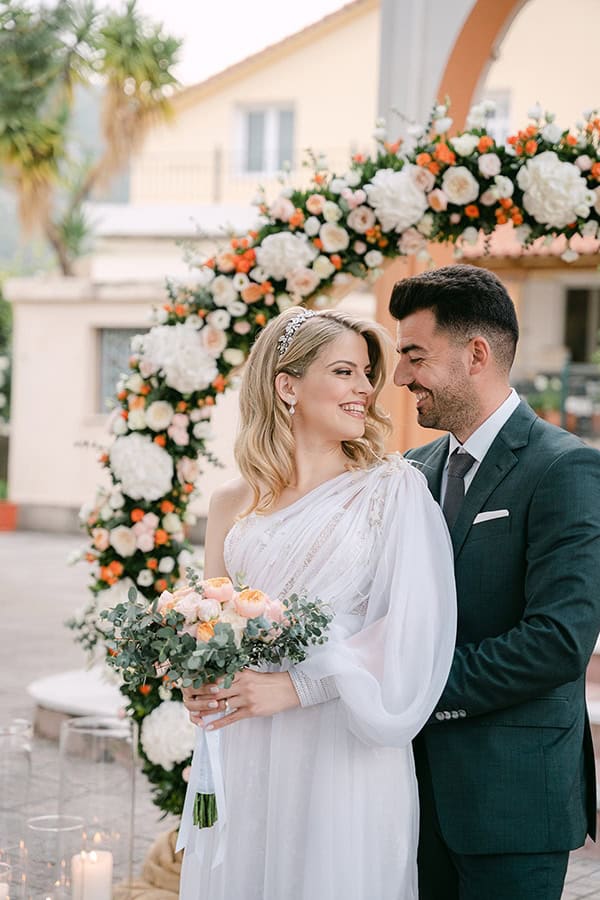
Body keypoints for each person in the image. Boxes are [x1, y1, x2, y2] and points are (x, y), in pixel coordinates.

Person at [179, 306, 457, 900]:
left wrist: (299, 688)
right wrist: (199, 682)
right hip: (248, 739)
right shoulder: (232, 501)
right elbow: (213, 624)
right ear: (287, 385)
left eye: (365, 373)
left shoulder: (393, 487)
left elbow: (413, 629)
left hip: (343, 738)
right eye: (344, 371)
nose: (365, 388)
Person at [389, 263, 600, 900]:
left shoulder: (565, 468)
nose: (399, 377)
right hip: (408, 795)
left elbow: (558, 642)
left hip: (514, 800)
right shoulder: (411, 471)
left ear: (476, 353)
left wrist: (412, 688)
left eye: (414, 355)